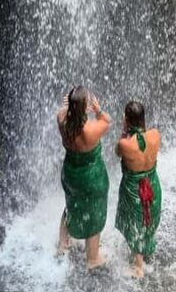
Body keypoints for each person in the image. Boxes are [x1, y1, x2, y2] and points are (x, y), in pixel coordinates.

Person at [57, 85, 111, 269]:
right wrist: (98, 110)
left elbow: (64, 113)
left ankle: (63, 244)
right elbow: (107, 121)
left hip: (71, 173)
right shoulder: (90, 130)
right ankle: (92, 259)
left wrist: (68, 106)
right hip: (91, 177)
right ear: (85, 107)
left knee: (72, 204)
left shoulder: (61, 119)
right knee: (94, 212)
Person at [115, 100, 162, 278]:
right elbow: (149, 148)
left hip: (134, 187)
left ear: (127, 120)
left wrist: (124, 130)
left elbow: (117, 152)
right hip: (152, 183)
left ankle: (138, 267)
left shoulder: (125, 144)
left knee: (134, 220)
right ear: (143, 118)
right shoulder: (155, 135)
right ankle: (146, 250)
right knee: (148, 215)